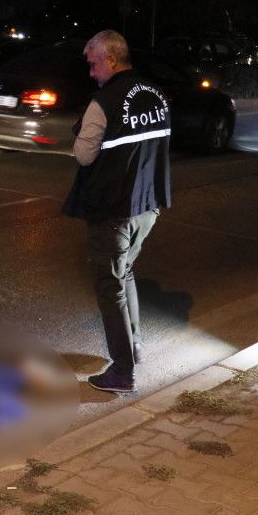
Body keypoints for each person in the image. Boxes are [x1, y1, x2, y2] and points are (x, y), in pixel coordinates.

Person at [62, 30, 171, 395]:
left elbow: (84, 155)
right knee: (125, 273)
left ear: (110, 59)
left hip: (113, 209)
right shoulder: (156, 94)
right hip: (148, 205)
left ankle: (122, 371)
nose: (91, 72)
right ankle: (134, 346)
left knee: (110, 287)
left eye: (93, 64)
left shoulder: (103, 101)